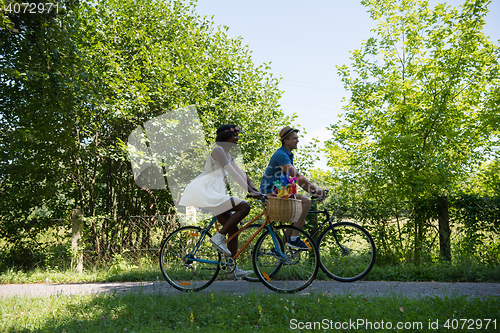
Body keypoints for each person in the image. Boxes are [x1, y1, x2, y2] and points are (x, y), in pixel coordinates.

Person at [179, 124, 261, 279]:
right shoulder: (218, 151)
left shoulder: (228, 155)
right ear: (225, 137)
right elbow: (232, 173)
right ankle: (218, 237)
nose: (237, 138)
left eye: (237, 135)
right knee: (244, 207)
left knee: (233, 228)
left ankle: (231, 268)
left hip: (214, 190)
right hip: (205, 190)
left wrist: (256, 189)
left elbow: (241, 174)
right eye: (234, 135)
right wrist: (250, 192)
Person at [260, 126, 326, 249]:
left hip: (279, 189)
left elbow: (294, 179)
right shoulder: (281, 155)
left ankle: (279, 248)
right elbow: (296, 176)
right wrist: (315, 189)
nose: (298, 140)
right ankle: (294, 238)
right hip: (271, 191)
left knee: (297, 215)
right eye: (295, 138)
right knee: (305, 202)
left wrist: (311, 191)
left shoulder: (287, 154)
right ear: (286, 140)